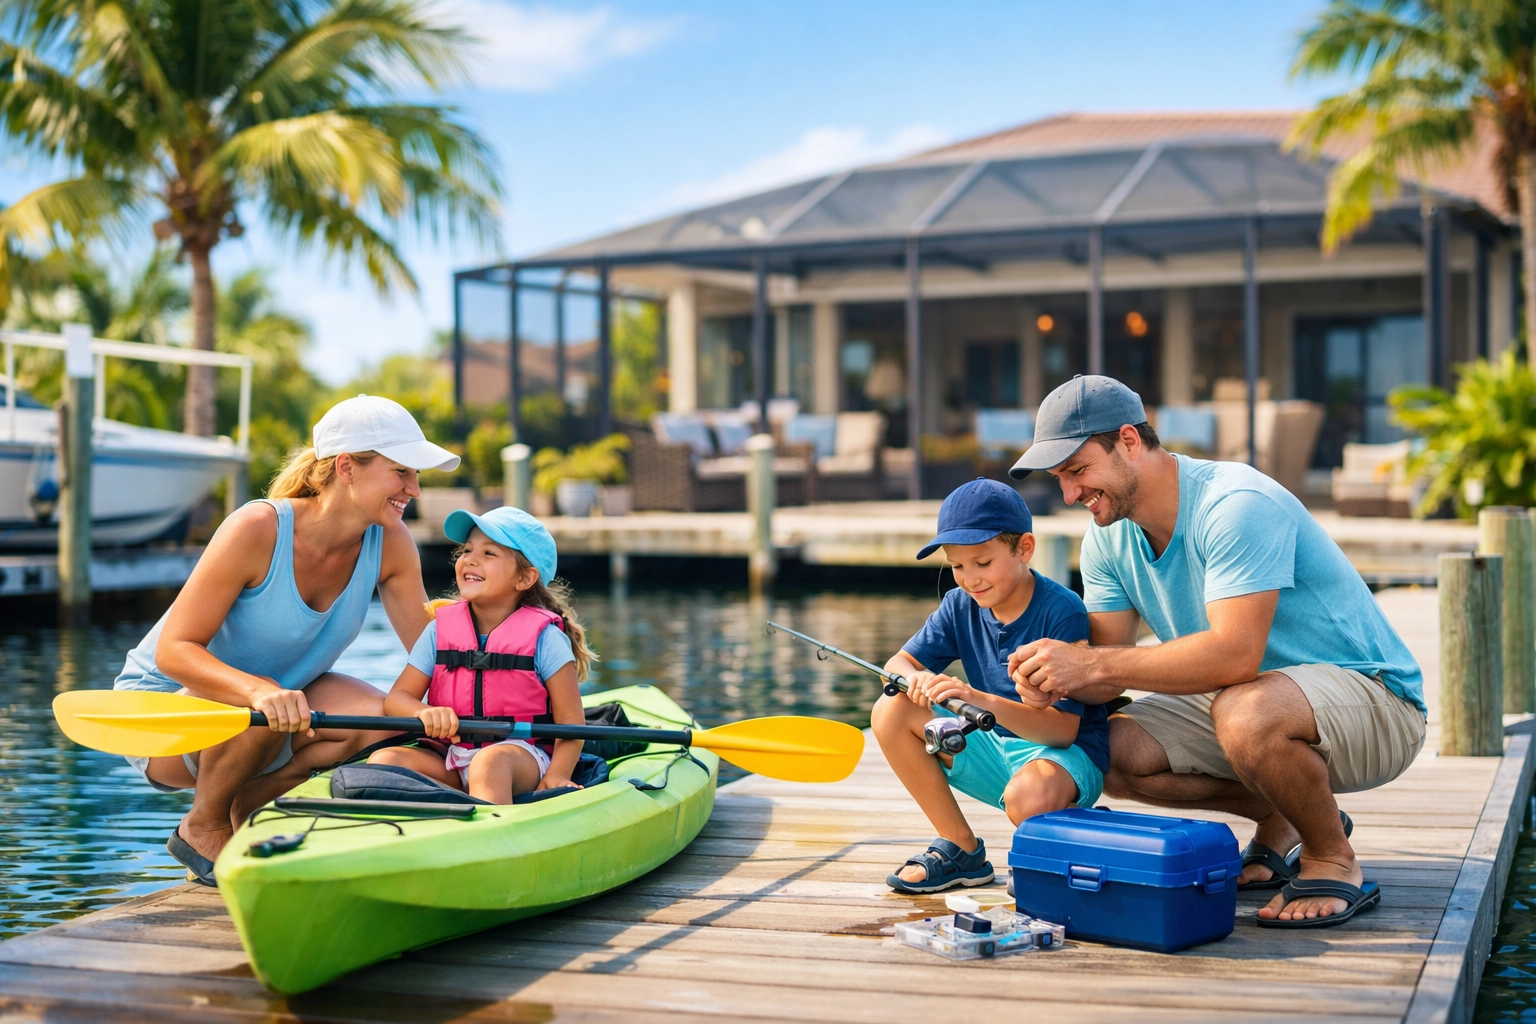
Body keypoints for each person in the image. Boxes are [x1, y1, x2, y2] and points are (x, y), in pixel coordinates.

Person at [1006, 375, 1426, 929]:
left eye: (1078, 471)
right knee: (1108, 745)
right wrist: (1050, 679)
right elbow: (1105, 677)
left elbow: (1234, 657)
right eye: (1060, 478)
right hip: (1251, 702)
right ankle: (1284, 818)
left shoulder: (1235, 504)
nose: (1069, 494)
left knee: (1246, 710)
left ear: (1129, 441)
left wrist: (1090, 664)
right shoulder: (1107, 537)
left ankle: (1332, 857)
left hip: (1377, 702)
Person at [114, 394, 458, 885]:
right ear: (347, 468)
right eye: (402, 472)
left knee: (388, 722)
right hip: (166, 712)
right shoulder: (258, 528)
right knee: (266, 694)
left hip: (279, 705)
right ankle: (203, 823)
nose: (415, 489)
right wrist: (257, 692)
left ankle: (252, 802)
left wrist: (508, 702)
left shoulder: (392, 542)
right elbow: (174, 651)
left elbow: (433, 658)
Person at [871, 479, 1109, 893]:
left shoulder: (1062, 609)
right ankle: (963, 851)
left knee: (1028, 798)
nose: (970, 579)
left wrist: (975, 698)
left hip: (1059, 756)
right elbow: (896, 664)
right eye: (957, 566)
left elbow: (1062, 730)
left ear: (1025, 549)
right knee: (889, 708)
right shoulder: (958, 605)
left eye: (982, 563)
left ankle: (1059, 834)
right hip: (992, 746)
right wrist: (916, 680)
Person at [368, 507, 592, 802]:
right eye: (467, 550)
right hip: (452, 754)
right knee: (384, 761)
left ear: (525, 578)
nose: (470, 559)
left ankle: (492, 834)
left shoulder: (547, 639)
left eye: (489, 554)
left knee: (488, 764)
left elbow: (571, 725)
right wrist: (423, 712)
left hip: (519, 756)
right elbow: (397, 699)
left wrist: (558, 774)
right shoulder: (439, 631)